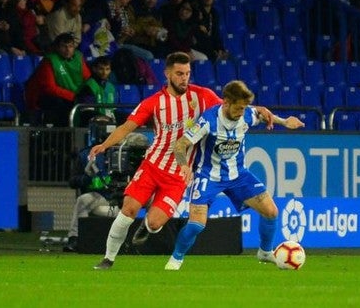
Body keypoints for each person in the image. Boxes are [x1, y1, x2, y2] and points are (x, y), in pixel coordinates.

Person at [89, 52, 274, 270]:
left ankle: (147, 225)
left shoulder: (201, 96)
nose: (184, 78)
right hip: (153, 166)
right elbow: (126, 127)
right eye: (179, 74)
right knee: (128, 210)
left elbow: (229, 108)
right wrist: (105, 145)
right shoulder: (154, 103)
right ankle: (108, 259)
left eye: (187, 73)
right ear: (167, 74)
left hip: (178, 175)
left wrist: (258, 110)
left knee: (155, 223)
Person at [164, 80, 304, 270]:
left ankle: (264, 252)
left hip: (238, 175)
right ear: (226, 103)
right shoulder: (208, 120)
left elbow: (262, 115)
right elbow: (180, 144)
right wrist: (183, 165)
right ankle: (176, 259)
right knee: (197, 225)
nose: (241, 113)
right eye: (238, 108)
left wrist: (284, 121)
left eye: (244, 108)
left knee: (271, 212)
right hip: (209, 176)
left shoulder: (246, 114)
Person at [64, 115, 120, 252]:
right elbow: (72, 182)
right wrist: (86, 177)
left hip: (120, 200)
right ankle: (75, 238)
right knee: (83, 200)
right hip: (98, 199)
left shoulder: (121, 152)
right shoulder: (85, 154)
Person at [24, 32, 91, 126]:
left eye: (71, 46)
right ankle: (64, 135)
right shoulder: (49, 61)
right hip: (44, 97)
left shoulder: (78, 58)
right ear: (57, 48)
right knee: (62, 105)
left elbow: (88, 79)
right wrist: (74, 97)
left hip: (70, 96)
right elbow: (49, 89)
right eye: (64, 46)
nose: (68, 50)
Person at [74, 56, 115, 126]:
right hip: (87, 126)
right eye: (101, 69)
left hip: (106, 125)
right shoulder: (88, 86)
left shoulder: (111, 87)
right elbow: (86, 111)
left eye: (107, 69)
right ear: (94, 69)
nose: (104, 72)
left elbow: (113, 110)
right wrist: (106, 119)